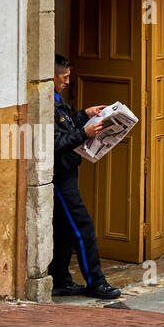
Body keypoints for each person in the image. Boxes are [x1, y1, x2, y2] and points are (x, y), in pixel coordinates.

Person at [50, 54, 121, 300]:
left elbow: (65, 126)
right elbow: (56, 142)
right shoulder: (46, 103)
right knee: (83, 228)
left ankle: (60, 280)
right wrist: (84, 133)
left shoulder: (58, 100)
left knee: (65, 231)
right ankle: (96, 283)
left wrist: (84, 115)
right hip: (59, 177)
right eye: (65, 76)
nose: (68, 81)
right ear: (52, 76)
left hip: (69, 171)